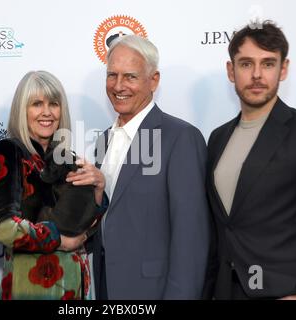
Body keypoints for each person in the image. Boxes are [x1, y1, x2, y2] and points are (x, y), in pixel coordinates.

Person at [205, 20, 296, 299]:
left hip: (286, 291)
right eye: (246, 64)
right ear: (231, 70)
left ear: (283, 69)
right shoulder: (217, 138)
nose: (257, 75)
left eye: (268, 63)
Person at [89, 35, 211, 299]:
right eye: (112, 75)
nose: (118, 86)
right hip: (106, 288)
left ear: (153, 80)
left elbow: (190, 239)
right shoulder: (104, 140)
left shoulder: (179, 137)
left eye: (130, 76)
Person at [0, 70, 107, 300]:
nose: (47, 112)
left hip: (75, 286)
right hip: (31, 288)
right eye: (36, 104)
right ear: (22, 111)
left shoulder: (65, 158)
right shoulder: (10, 151)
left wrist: (99, 188)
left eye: (53, 103)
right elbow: (3, 228)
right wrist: (60, 241)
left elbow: (85, 232)